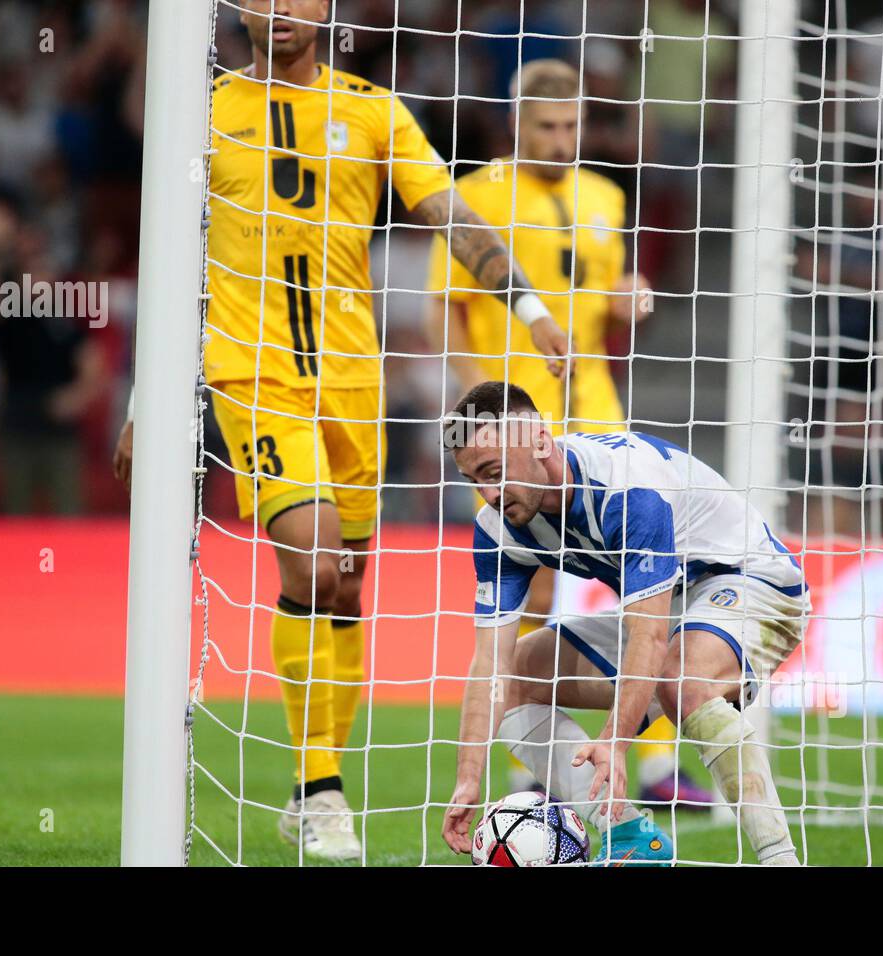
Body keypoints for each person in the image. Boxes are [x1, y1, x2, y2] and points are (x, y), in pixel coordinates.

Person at [112, 0, 569, 862]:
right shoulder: (202, 108)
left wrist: (530, 304)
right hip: (254, 374)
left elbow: (452, 219)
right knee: (313, 559)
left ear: (327, 9)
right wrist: (148, 396)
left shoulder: (372, 109)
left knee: (346, 590)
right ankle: (323, 790)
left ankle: (307, 787)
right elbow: (170, 253)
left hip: (354, 383)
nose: (280, 9)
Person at [424, 57, 713, 809]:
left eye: (572, 126)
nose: (560, 140)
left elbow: (614, 311)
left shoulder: (604, 197)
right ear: (517, 124)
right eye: (546, 127)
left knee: (647, 590)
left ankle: (651, 763)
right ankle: (531, 755)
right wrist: (478, 412)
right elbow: (443, 312)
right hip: (513, 433)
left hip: (595, 416)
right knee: (530, 593)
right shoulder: (472, 199)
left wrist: (632, 302)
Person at [441, 381, 808, 866]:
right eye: (474, 481)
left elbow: (650, 635)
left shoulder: (628, 490)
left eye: (493, 472)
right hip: (672, 607)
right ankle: (630, 835)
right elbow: (491, 661)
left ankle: (779, 859)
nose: (488, 494)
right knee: (515, 683)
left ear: (541, 443)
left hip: (753, 583)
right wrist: (469, 774)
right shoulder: (498, 528)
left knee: (684, 679)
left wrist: (615, 740)